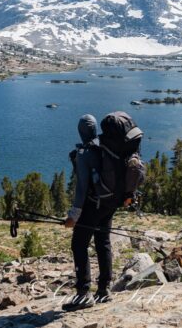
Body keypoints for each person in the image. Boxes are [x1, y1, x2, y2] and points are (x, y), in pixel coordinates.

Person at [62, 114, 117, 310]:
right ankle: (104, 290)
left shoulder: (85, 153)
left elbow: (82, 188)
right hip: (109, 204)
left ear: (81, 132)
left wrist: (73, 216)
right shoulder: (105, 147)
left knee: (79, 244)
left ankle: (84, 293)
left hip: (93, 206)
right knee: (103, 242)